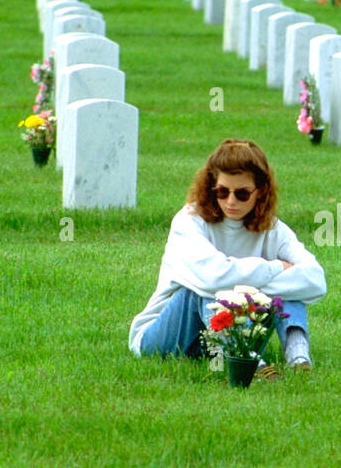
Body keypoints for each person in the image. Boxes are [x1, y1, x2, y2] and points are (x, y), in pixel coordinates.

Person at [128, 138, 326, 373]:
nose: (231, 201)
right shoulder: (189, 221)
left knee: (290, 290)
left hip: (219, 344)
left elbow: (315, 280)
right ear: (211, 187)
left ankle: (298, 357)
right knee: (204, 293)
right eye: (222, 191)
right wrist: (273, 269)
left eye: (242, 194)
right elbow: (212, 278)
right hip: (166, 337)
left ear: (260, 192)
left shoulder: (273, 229)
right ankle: (249, 361)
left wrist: (247, 286)